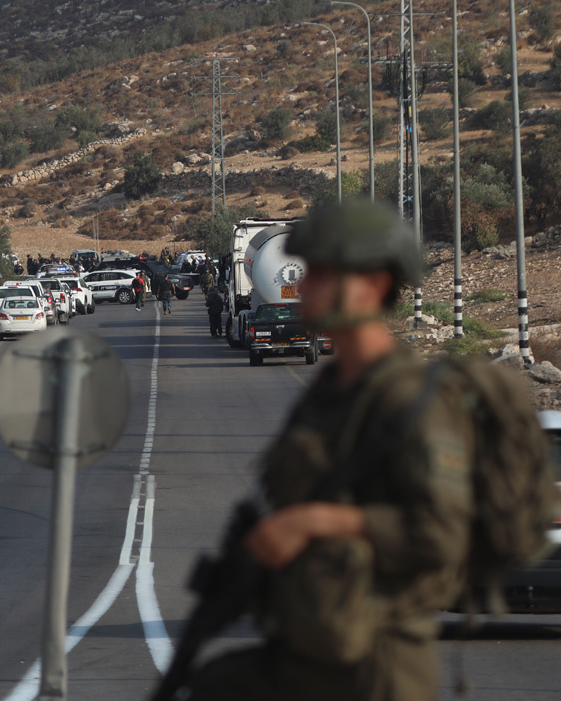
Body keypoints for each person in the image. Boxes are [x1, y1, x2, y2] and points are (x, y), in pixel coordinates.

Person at [178, 199, 478, 701]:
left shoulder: (410, 398)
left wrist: (315, 523)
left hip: (378, 666)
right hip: (311, 649)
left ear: (374, 285)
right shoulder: (327, 394)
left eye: (322, 272)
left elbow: (442, 532)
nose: (305, 283)